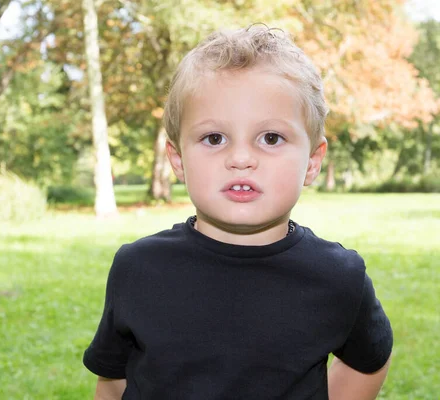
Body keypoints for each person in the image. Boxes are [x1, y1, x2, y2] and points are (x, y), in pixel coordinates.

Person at [83, 25, 393, 400]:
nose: (242, 158)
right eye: (214, 138)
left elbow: (368, 359)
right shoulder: (138, 268)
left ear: (312, 162)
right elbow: (113, 381)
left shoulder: (338, 276)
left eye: (271, 138)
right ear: (177, 159)